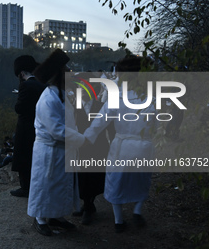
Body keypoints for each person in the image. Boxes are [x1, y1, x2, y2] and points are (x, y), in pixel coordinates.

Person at [84, 55, 156, 233]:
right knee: (142, 179)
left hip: (122, 146)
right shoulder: (152, 97)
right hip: (144, 146)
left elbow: (100, 121)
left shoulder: (117, 97)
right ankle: (137, 210)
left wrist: (86, 138)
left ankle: (118, 221)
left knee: (116, 182)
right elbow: (158, 124)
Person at [27, 49, 86, 236]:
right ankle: (40, 219)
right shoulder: (48, 98)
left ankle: (57, 216)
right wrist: (80, 139)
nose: (70, 71)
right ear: (58, 74)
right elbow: (57, 130)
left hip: (62, 150)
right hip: (49, 151)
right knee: (46, 184)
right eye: (66, 68)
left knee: (60, 184)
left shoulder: (61, 94)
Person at [74, 81, 115, 225]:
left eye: (85, 89)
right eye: (80, 88)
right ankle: (87, 205)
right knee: (81, 176)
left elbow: (111, 127)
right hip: (80, 146)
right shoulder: (74, 108)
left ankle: (88, 206)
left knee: (94, 176)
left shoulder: (100, 107)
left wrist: (113, 145)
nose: (82, 91)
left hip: (99, 146)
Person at [11, 55, 46, 198]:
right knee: (33, 157)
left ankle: (25, 187)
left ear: (21, 73)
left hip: (25, 127)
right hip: (38, 126)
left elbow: (19, 108)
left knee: (23, 157)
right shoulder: (41, 84)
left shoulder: (25, 85)